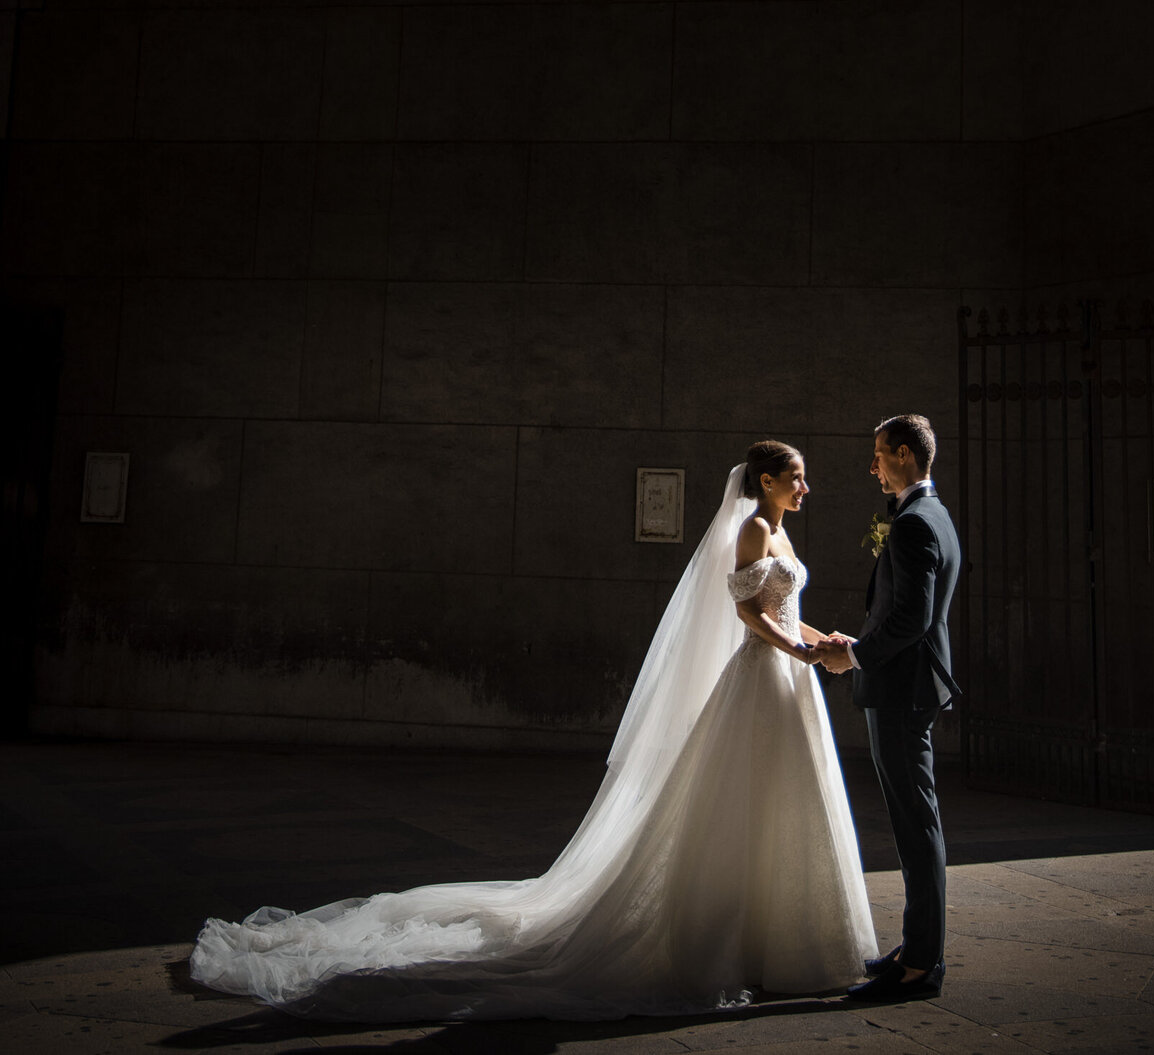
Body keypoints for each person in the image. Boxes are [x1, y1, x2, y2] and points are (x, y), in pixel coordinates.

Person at [191, 441, 877, 1021]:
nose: (804, 486)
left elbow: (787, 613)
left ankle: (783, 941)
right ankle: (742, 942)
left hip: (790, 678)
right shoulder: (756, 530)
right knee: (741, 802)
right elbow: (750, 618)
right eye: (796, 476)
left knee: (787, 804)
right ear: (766, 481)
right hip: (763, 675)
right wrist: (798, 651)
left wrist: (826, 639)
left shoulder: (782, 533)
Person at [813, 413, 961, 1002]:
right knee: (914, 821)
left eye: (878, 454)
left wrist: (853, 657)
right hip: (910, 686)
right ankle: (917, 947)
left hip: (901, 692)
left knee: (915, 824)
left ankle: (921, 966)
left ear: (903, 453)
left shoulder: (913, 525)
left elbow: (910, 619)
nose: (872, 465)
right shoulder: (935, 515)